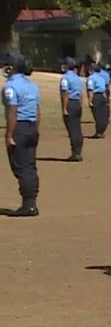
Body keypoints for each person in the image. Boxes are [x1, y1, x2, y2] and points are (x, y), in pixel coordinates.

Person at [2, 50, 40, 216]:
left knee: (21, 167)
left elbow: (12, 111)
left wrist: (9, 134)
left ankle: (28, 206)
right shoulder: (32, 86)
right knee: (29, 166)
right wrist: (35, 130)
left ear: (12, 67)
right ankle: (31, 202)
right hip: (31, 128)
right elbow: (37, 111)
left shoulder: (11, 87)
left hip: (19, 129)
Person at [59, 57, 85, 161]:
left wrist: (64, 108)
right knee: (77, 128)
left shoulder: (65, 78)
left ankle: (75, 153)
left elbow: (65, 93)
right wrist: (79, 105)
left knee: (72, 129)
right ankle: (78, 151)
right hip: (77, 104)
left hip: (70, 103)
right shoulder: (77, 78)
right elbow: (81, 94)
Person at [87, 62, 109, 139]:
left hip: (96, 97)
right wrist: (106, 100)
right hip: (102, 97)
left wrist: (90, 100)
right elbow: (104, 90)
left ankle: (98, 132)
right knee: (103, 115)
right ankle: (102, 131)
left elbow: (90, 90)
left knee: (97, 115)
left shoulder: (91, 78)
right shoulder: (101, 78)